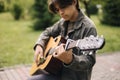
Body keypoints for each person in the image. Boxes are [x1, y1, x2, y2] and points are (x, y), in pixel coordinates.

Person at [28, 0, 97, 80]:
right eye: (57, 10)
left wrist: (71, 60)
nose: (61, 12)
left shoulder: (88, 27)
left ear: (74, 2)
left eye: (63, 7)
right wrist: (40, 45)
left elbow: (89, 61)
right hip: (57, 71)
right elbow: (48, 32)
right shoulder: (63, 22)